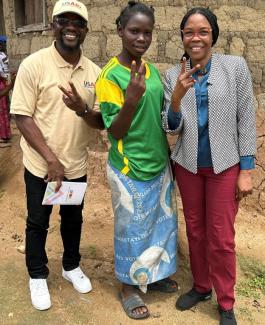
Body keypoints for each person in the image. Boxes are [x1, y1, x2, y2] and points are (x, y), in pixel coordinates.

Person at [162, 7, 256, 325]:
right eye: (189, 32)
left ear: (213, 34)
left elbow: (246, 118)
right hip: (188, 166)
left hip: (225, 166)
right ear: (183, 38)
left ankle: (226, 301)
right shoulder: (172, 76)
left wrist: (247, 169)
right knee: (196, 230)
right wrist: (176, 97)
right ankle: (202, 287)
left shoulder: (235, 67)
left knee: (221, 236)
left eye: (203, 31)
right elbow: (171, 128)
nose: (196, 38)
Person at [10, 0, 104, 311]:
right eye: (64, 20)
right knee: (38, 221)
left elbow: (100, 121)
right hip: (42, 167)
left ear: (86, 30)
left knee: (72, 219)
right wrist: (50, 159)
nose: (71, 27)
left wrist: (82, 109)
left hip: (74, 165)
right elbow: (22, 116)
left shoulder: (94, 72)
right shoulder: (34, 65)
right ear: (54, 25)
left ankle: (70, 266)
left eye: (77, 22)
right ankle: (37, 275)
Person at [95, 1, 178, 320]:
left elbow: (157, 117)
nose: (141, 38)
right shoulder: (110, 75)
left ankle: (150, 276)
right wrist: (129, 100)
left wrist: (167, 154)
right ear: (119, 30)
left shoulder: (151, 70)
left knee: (159, 224)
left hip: (158, 161)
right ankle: (128, 286)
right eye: (134, 31)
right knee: (132, 228)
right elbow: (113, 129)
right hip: (130, 167)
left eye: (147, 32)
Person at [0, 36, 12, 147]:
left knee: (2, 110)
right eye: (3, 44)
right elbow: (5, 72)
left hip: (2, 83)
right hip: (3, 83)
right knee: (3, 110)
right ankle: (5, 135)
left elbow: (4, 72)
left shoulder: (2, 56)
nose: (4, 46)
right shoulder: (3, 56)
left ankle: (3, 135)